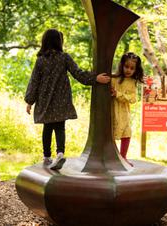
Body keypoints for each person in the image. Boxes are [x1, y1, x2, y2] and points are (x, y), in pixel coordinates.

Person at [25, 29, 110, 170]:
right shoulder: (64, 57)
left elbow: (34, 81)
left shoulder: (40, 60)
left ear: (44, 42)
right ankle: (60, 153)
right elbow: (78, 74)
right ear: (59, 42)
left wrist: (29, 101)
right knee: (60, 127)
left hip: (45, 100)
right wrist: (95, 78)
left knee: (47, 128)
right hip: (61, 100)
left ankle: (47, 157)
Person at [111, 52, 144, 167]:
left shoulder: (132, 82)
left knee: (126, 132)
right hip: (112, 110)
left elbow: (133, 98)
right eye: (126, 67)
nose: (128, 70)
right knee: (112, 131)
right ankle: (113, 157)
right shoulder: (114, 78)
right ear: (121, 66)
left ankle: (123, 156)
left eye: (132, 68)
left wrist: (118, 94)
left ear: (136, 70)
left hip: (124, 112)